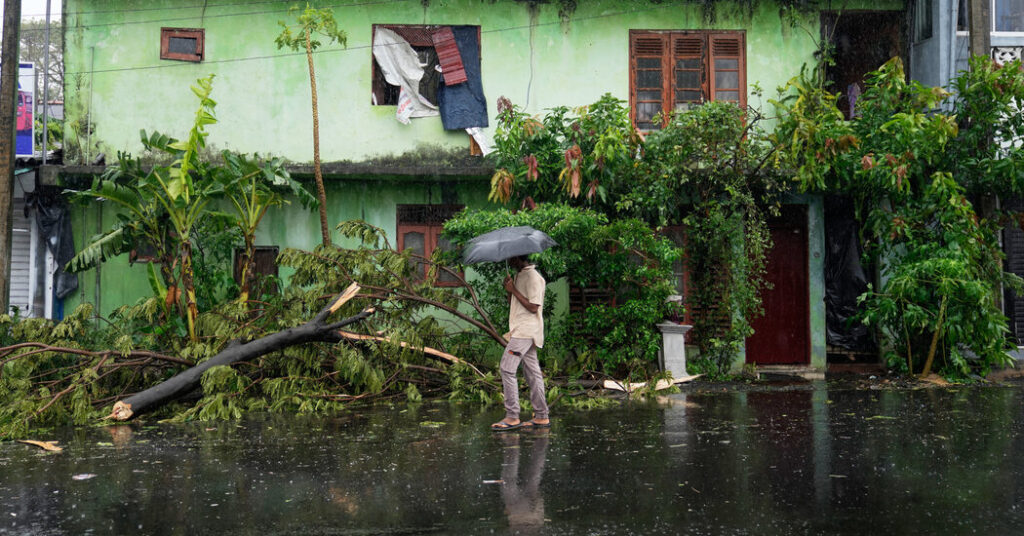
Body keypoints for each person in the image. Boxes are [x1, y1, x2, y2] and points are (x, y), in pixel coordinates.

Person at [491, 255, 550, 431]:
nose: (508, 261)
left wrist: (514, 290)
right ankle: (541, 416)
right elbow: (514, 304)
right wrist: (509, 290)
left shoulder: (533, 277)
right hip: (520, 330)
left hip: (526, 331)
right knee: (532, 372)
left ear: (519, 257)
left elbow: (534, 306)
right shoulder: (520, 275)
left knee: (507, 367)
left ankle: (512, 416)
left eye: (511, 258)